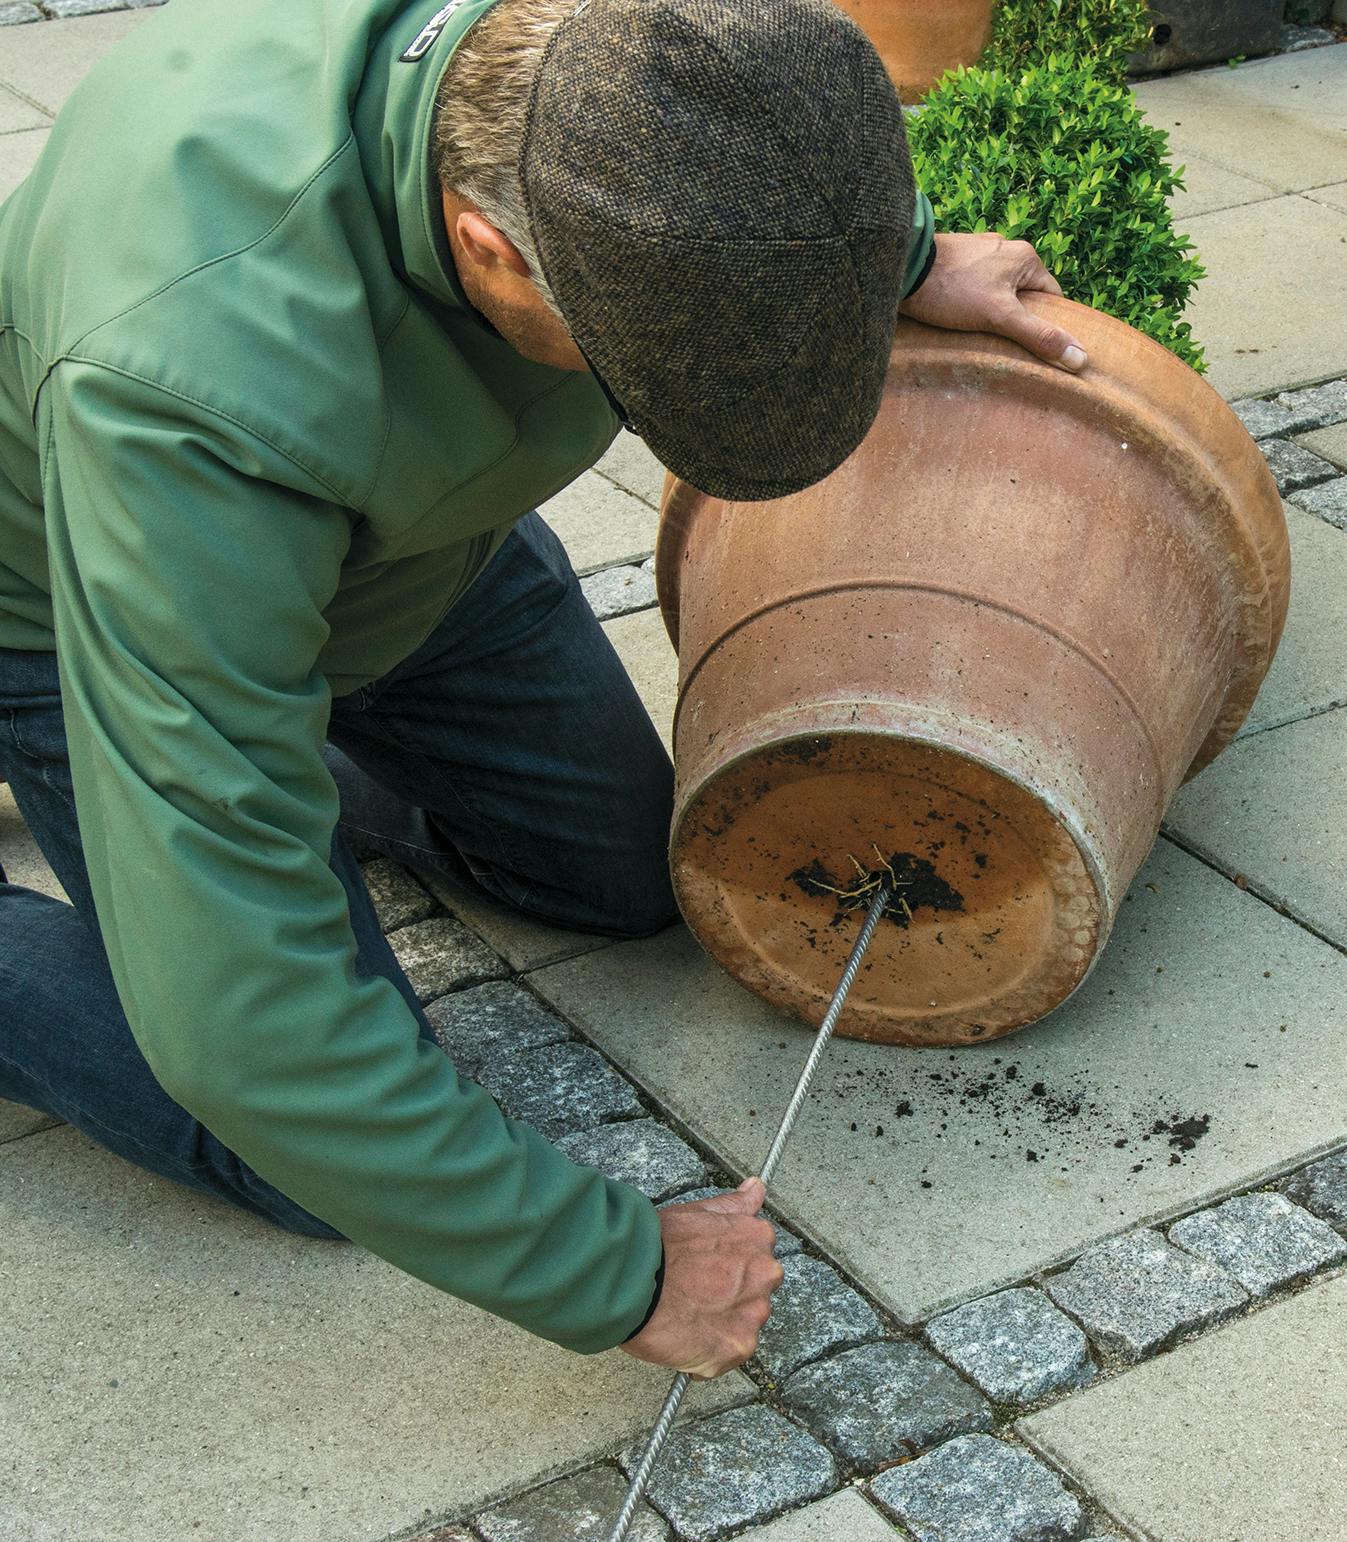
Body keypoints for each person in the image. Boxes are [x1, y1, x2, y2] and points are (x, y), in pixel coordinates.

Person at [0, 0, 1085, 1372]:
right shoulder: (183, 381)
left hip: (422, 557)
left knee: (639, 879)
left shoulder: (617, 59)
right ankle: (204, 779)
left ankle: (270, 766)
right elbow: (247, 1035)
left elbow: (746, 126)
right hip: (79, 596)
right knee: (295, 1141)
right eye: (642, 379)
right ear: (489, 247)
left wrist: (897, 258)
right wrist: (615, 1272)